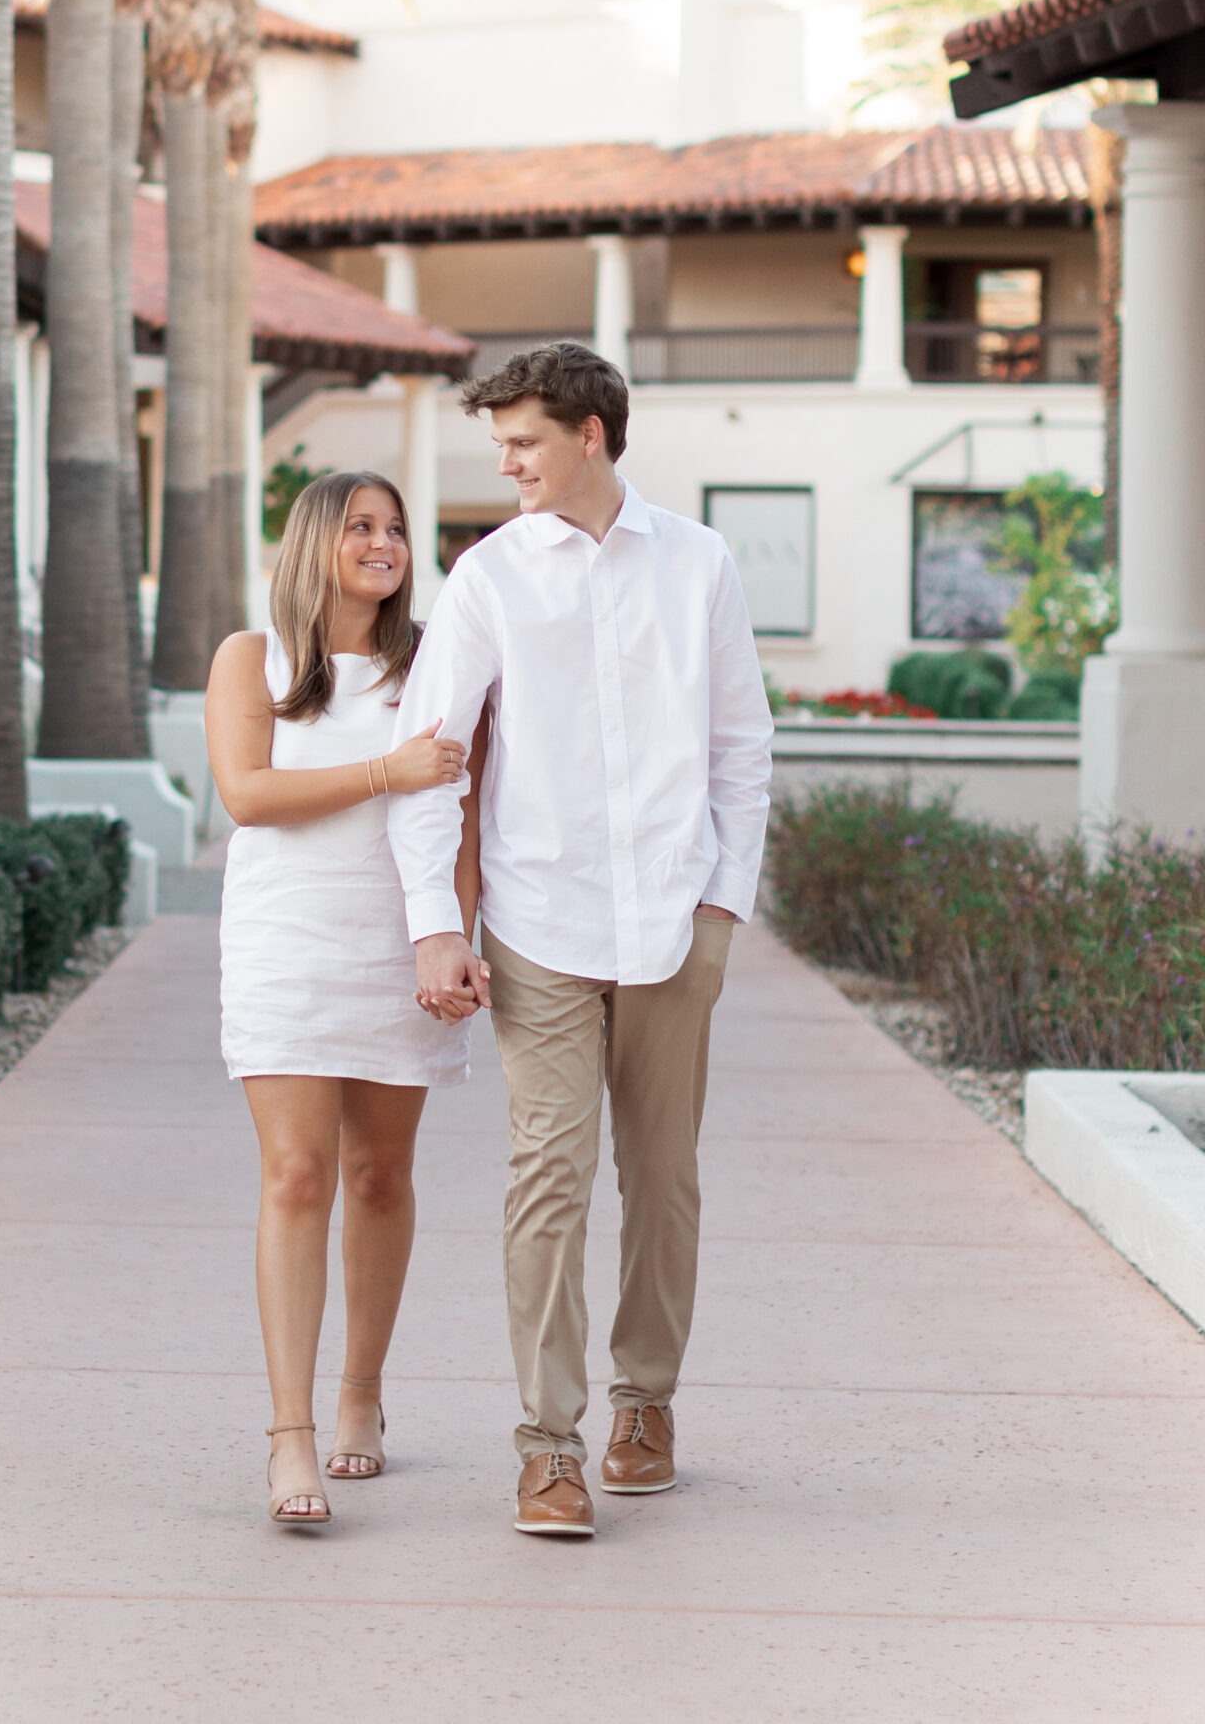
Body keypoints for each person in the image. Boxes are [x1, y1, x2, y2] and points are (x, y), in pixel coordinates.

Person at [388, 343, 774, 1538]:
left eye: (524, 441)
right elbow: (430, 763)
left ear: (593, 433)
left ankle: (644, 1405)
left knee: (663, 1178)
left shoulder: (699, 563)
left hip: (674, 918)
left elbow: (741, 751)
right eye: (499, 442)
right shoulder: (488, 577)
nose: (504, 462)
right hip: (541, 924)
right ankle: (547, 1442)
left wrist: (720, 914)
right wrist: (436, 928)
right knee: (548, 1176)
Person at [206, 470, 480, 1530]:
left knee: (378, 1173)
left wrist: (448, 940)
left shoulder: (432, 669)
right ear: (317, 538)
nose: (385, 543)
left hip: (394, 946)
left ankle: (361, 1392)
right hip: (285, 942)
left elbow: (459, 816)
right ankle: (291, 1436)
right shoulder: (252, 658)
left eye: (397, 528)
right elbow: (249, 793)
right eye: (362, 526)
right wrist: (386, 769)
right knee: (296, 1173)